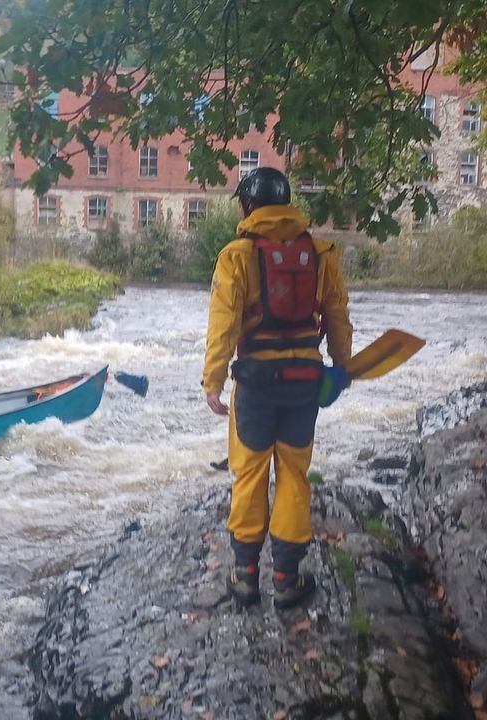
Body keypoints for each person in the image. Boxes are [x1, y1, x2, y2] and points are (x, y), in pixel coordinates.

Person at [202, 167, 353, 610]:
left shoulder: (236, 255)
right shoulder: (321, 253)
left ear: (249, 205)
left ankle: (245, 576)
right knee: (293, 474)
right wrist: (341, 365)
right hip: (304, 382)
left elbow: (223, 325)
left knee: (249, 475)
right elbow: (338, 314)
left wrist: (213, 381)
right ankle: (287, 578)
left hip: (255, 383)